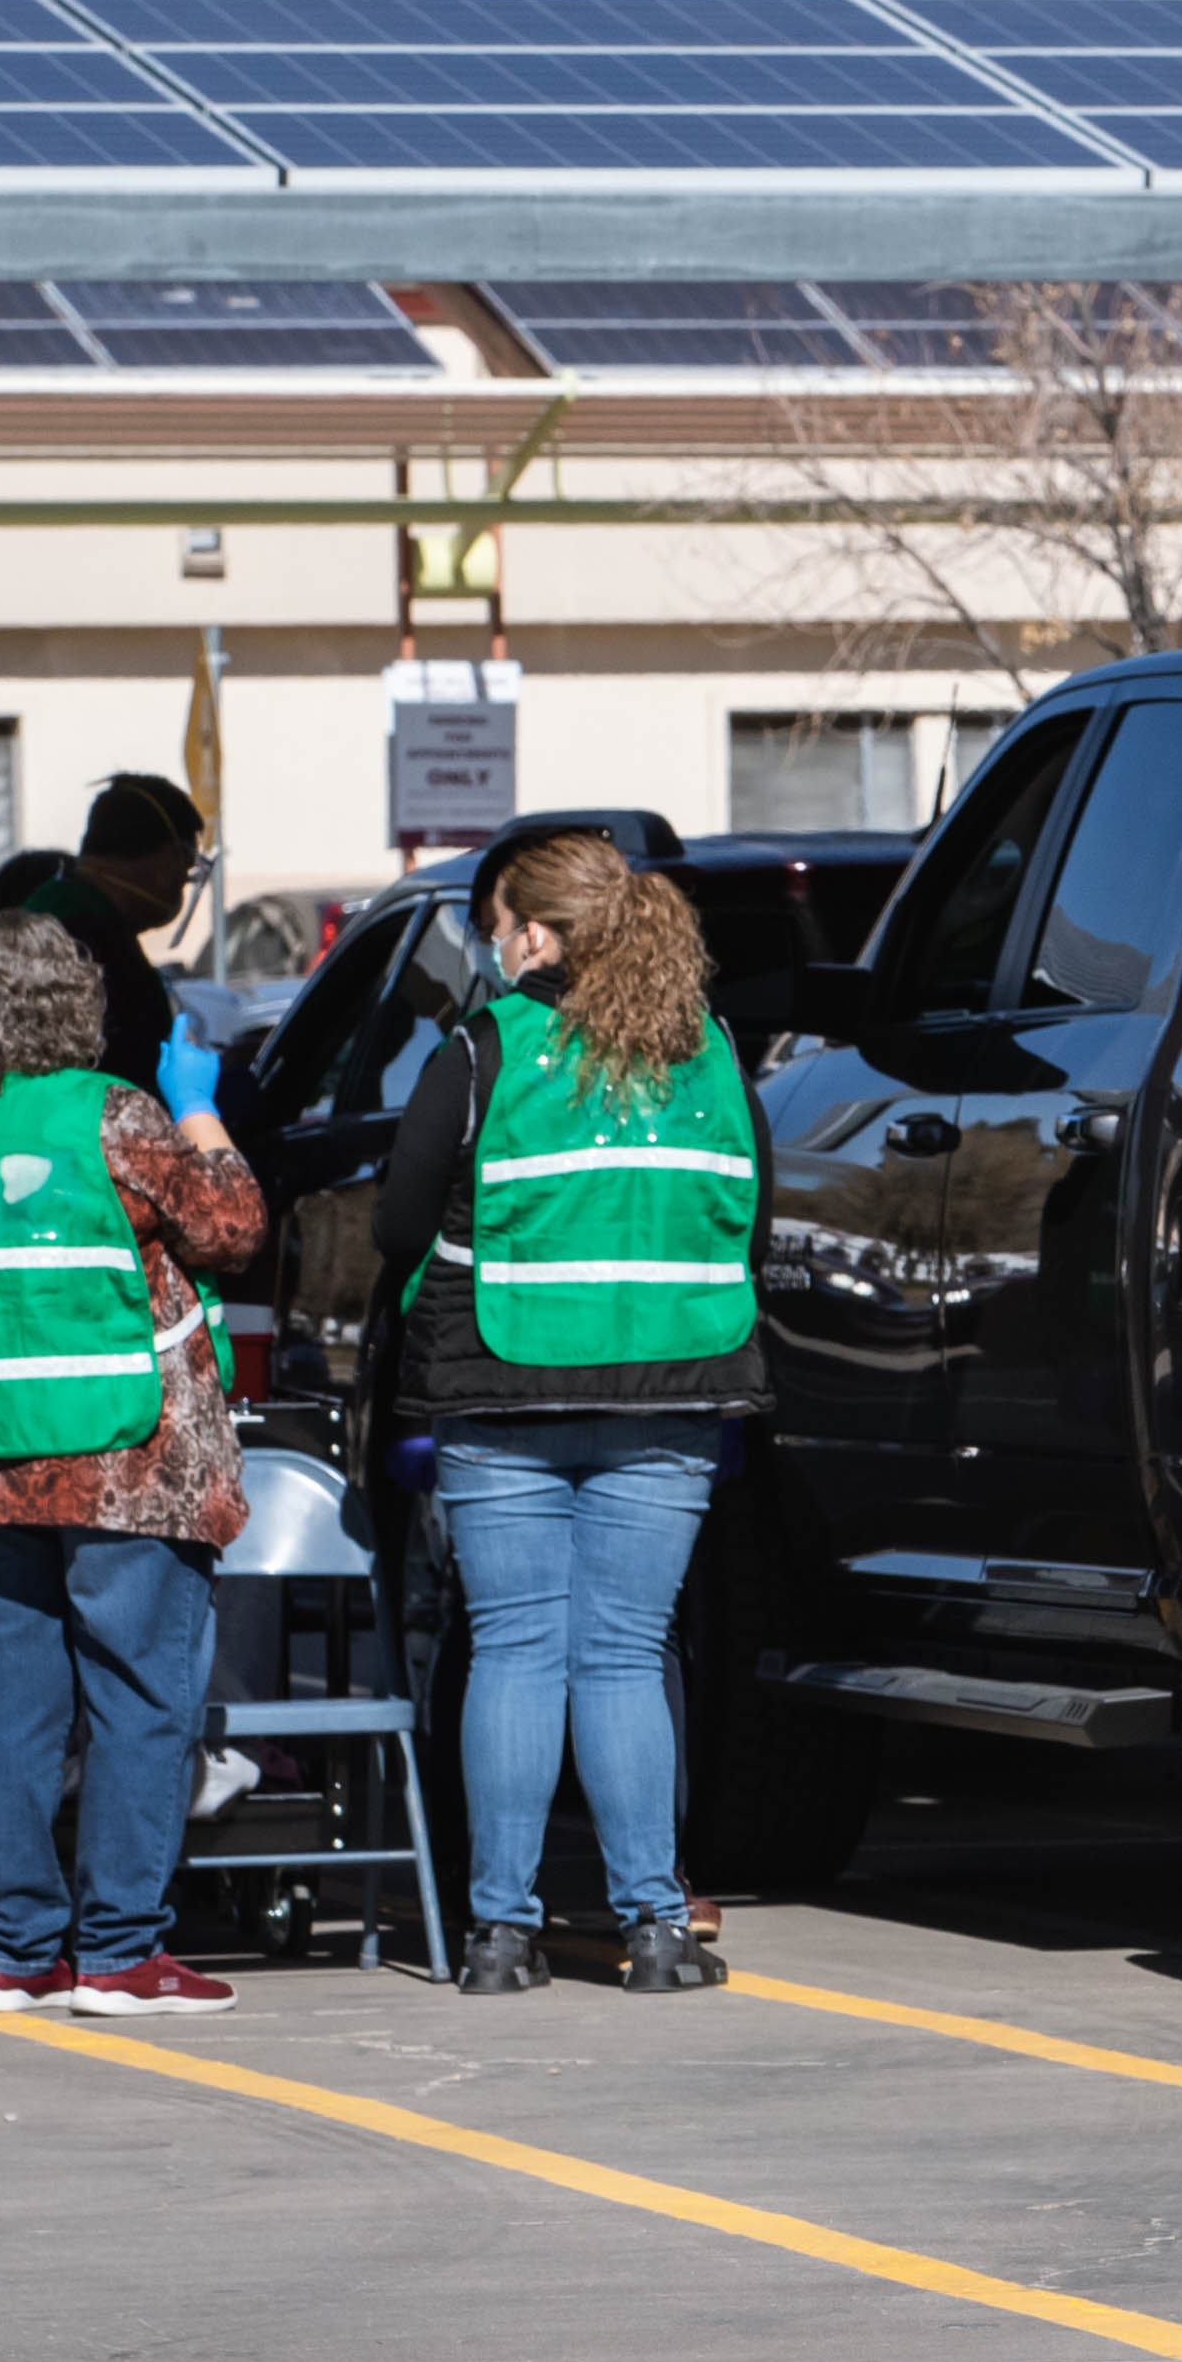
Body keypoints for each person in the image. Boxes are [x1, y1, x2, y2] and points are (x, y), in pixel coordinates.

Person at [369, 829, 768, 1999]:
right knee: (626, 1655)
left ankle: (500, 1934)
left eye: (493, 925)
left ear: (535, 933)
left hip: (503, 1381)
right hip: (676, 1383)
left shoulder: (486, 1049)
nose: (488, 949)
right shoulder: (709, 1048)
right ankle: (653, 1928)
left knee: (518, 1647)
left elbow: (398, 1222)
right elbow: (751, 1204)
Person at [0, 909, 261, 2019]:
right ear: (72, 1004)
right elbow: (231, 1227)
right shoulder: (115, 1117)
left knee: (0, 1712)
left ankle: (13, 1955)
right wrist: (200, 1107)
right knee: (140, 1697)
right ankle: (121, 1953)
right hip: (129, 1460)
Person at [22, 773, 202, 1086]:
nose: (183, 884)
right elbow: (131, 1073)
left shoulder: (47, 907)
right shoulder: (92, 938)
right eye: (185, 869)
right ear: (168, 858)